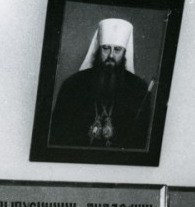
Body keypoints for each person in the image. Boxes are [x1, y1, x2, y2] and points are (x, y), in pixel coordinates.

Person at [48, 18, 152, 149]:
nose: (111, 56)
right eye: (106, 48)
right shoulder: (72, 85)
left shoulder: (139, 89)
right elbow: (58, 135)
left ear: (125, 52)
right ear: (98, 49)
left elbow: (139, 140)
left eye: (117, 49)